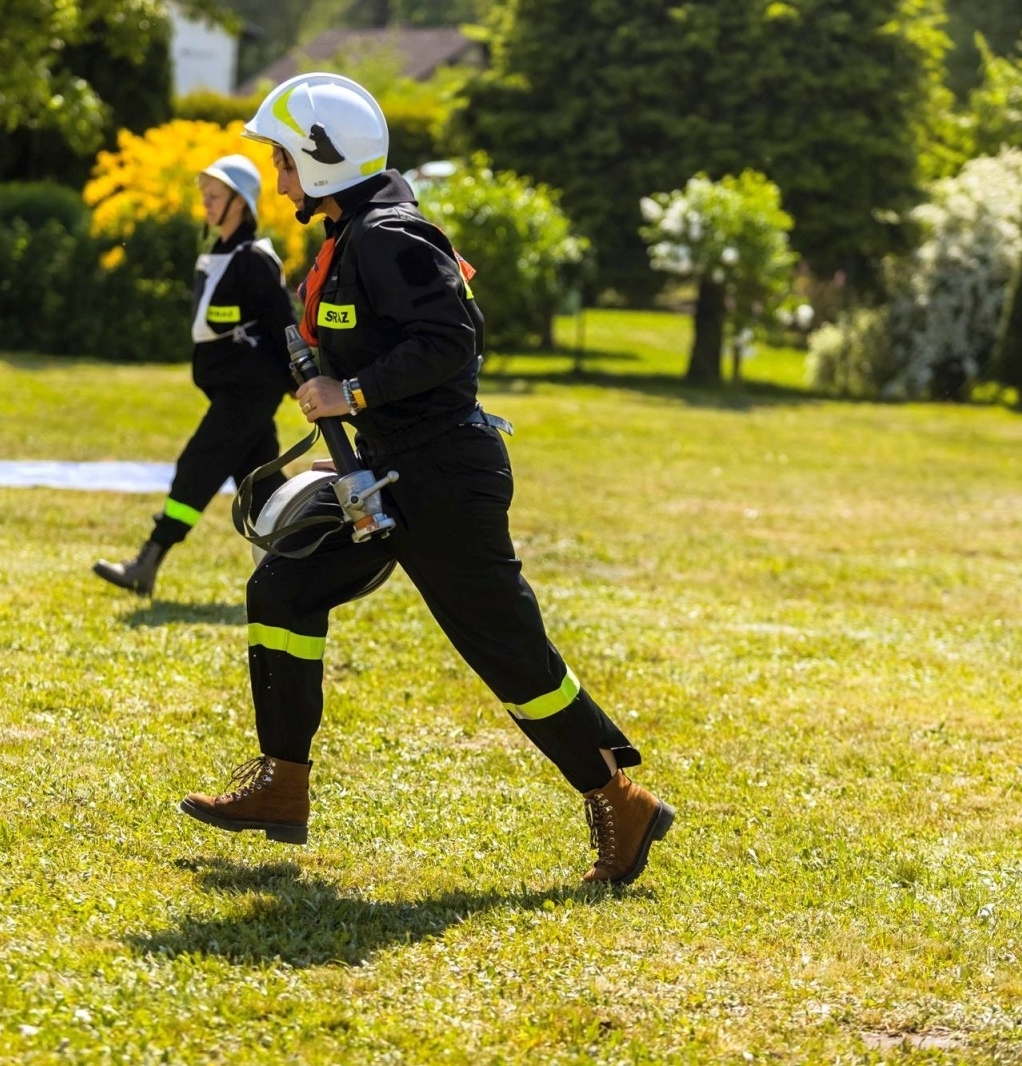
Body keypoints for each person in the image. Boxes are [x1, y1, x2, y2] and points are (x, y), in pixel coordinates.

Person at [178, 73, 674, 885]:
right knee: (283, 588)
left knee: (507, 652)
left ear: (325, 159)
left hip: (445, 478)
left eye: (284, 159)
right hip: (381, 473)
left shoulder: (390, 235)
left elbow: (451, 342)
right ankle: (282, 784)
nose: (276, 175)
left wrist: (353, 392)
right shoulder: (346, 232)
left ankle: (620, 799)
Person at [93, 155, 296, 596]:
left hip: (250, 390)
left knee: (198, 466)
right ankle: (303, 561)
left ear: (241, 203)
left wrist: (303, 381)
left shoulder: (253, 259)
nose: (206, 202)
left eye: (216, 195)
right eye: (204, 194)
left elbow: (284, 325)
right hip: (230, 390)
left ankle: (148, 562)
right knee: (260, 481)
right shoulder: (215, 256)